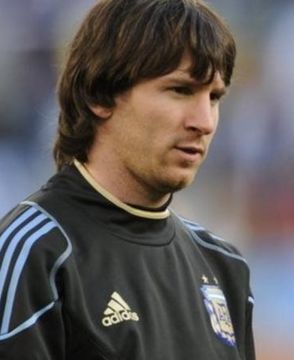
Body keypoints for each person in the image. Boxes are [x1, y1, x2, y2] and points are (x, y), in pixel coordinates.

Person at [0, 0, 255, 359]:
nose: (205, 121)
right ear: (100, 96)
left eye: (214, 97)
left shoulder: (224, 267)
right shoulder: (36, 253)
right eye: (180, 90)